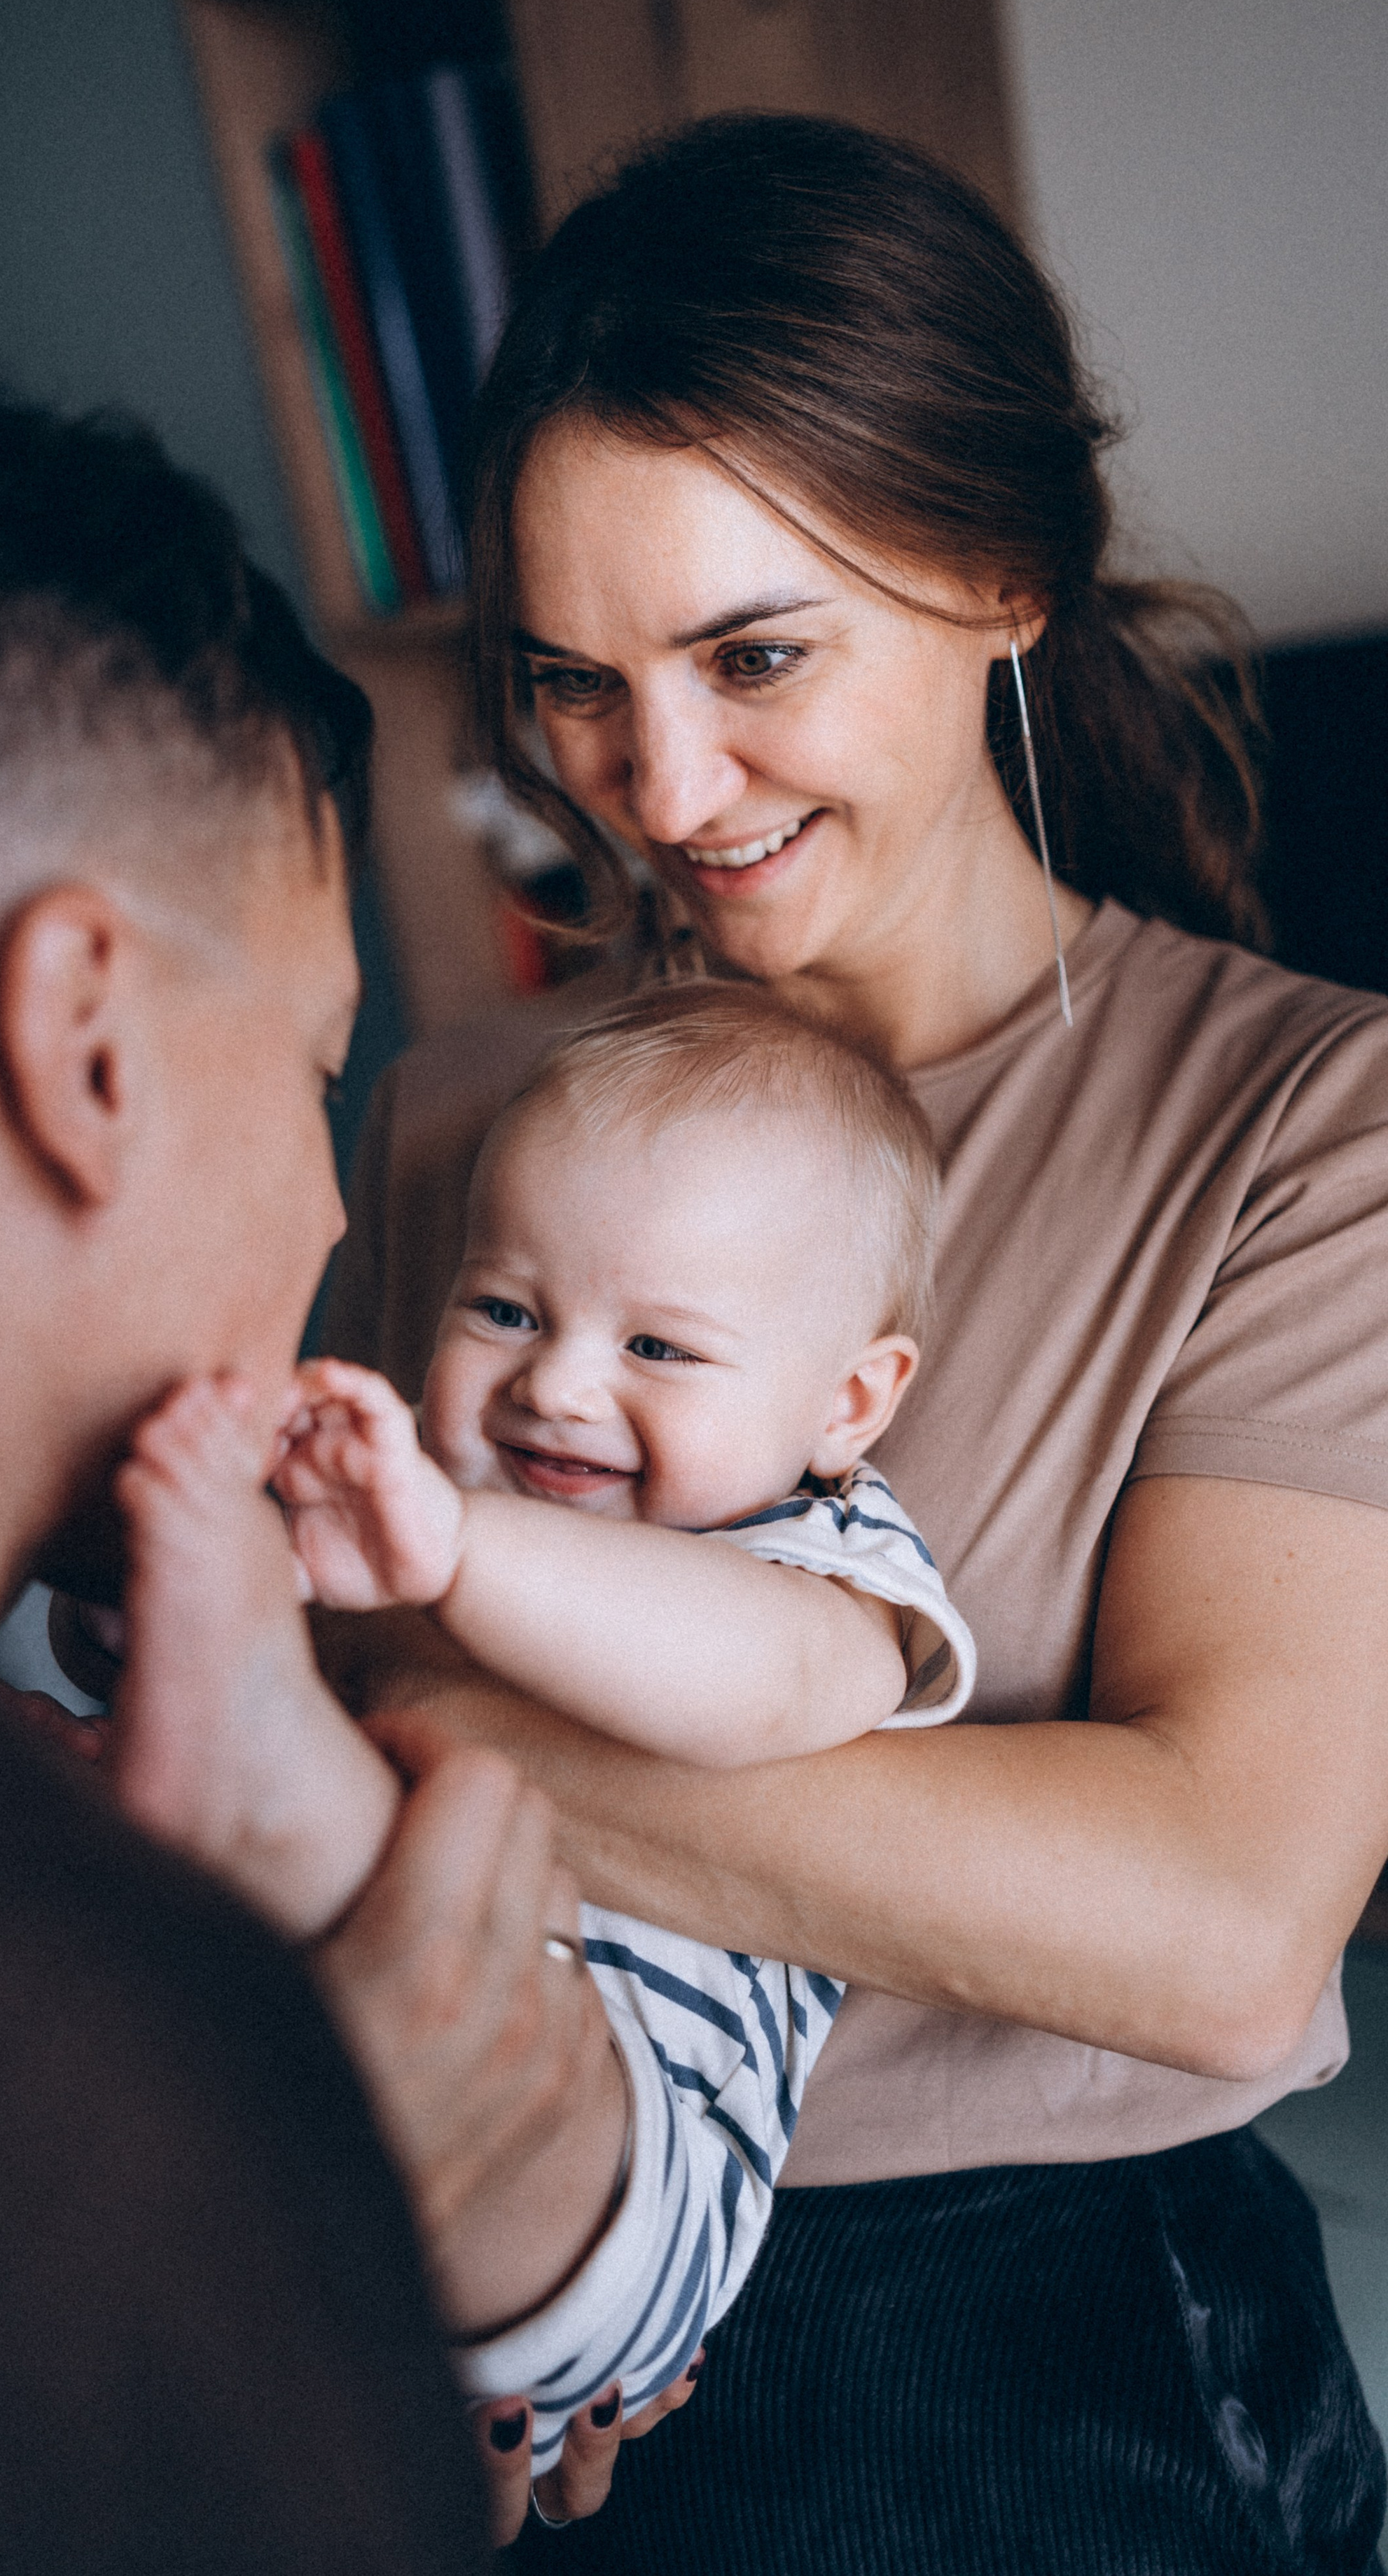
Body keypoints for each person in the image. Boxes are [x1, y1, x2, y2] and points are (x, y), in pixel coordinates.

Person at [321, 115, 1388, 2570]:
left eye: (754, 655)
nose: (659, 794)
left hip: (1040, 2333)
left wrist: (434, 1712)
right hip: (521, 2246)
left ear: (1004, 576)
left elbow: (1226, 1939)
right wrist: (503, 2242)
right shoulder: (465, 1109)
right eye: (570, 685)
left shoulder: (1308, 1128)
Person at [0, 365, 671, 2568]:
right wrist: (291, 2241)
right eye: (306, 1066)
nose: (338, 1216)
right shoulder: (71, 2101)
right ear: (83, 1041)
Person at [113, 982, 973, 2467]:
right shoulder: (444, 1492)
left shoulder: (823, 1560)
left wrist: (443, 1551)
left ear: (847, 1402)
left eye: (660, 1350)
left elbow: (760, 1686)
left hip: (631, 2176)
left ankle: (252, 1749)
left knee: (499, 2076)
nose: (556, 1385)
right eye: (504, 1308)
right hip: (286, 2120)